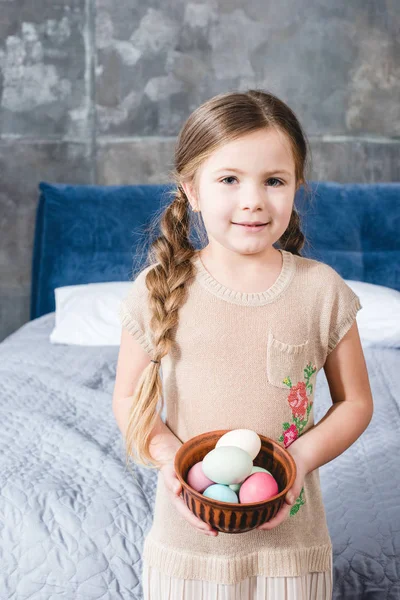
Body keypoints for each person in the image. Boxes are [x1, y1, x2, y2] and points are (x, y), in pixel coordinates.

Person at [112, 89, 374, 600]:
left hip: (291, 553)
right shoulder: (157, 289)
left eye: (274, 180)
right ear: (191, 188)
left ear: (296, 187)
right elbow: (128, 400)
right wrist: (171, 458)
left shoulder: (322, 291)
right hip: (186, 550)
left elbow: (356, 402)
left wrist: (299, 460)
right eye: (229, 179)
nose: (253, 199)